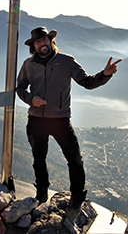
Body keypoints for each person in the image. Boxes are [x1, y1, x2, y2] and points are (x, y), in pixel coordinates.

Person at [16, 26, 121, 210]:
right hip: (36, 120)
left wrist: (104, 75)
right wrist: (31, 99)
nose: (42, 43)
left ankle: (77, 197)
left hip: (60, 120)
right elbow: (20, 88)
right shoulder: (28, 64)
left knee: (75, 159)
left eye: (45, 39)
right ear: (34, 45)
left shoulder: (66, 61)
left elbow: (87, 82)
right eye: (38, 41)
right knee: (38, 159)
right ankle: (41, 194)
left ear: (51, 41)